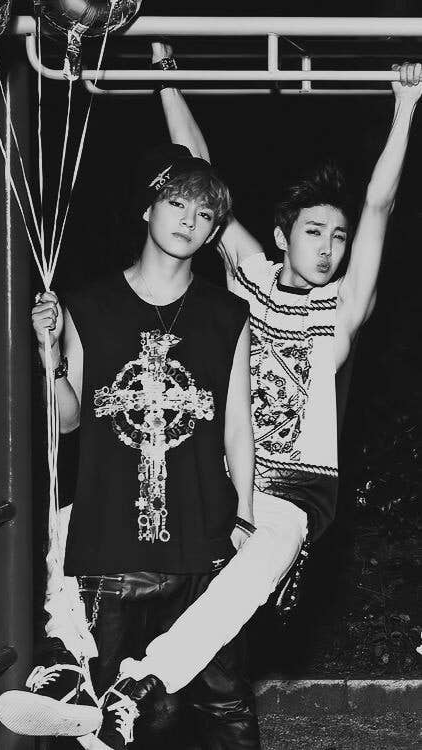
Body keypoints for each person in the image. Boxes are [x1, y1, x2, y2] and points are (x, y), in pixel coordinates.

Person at [70, 47, 422, 721]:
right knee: (100, 523)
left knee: (256, 561)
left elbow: (380, 206)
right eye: (314, 232)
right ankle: (74, 667)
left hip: (296, 487)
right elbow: (199, 171)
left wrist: (405, 107)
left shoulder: (342, 308)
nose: (329, 247)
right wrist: (167, 80)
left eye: (339, 236)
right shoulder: (250, 276)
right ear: (283, 237)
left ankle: (143, 686)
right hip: (222, 471)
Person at [0, 142, 260, 750]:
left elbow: (236, 424)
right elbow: (67, 421)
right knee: (102, 713)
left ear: (214, 231)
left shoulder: (228, 314)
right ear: (148, 209)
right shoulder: (89, 306)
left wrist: (244, 515)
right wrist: (50, 356)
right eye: (177, 203)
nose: (189, 221)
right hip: (109, 544)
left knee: (223, 706)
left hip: (203, 539)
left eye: (205, 214)